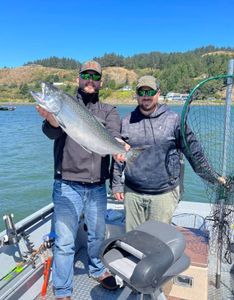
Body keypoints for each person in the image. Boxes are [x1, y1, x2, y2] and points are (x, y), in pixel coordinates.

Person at [36, 60, 121, 300]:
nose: (90, 80)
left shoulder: (109, 111)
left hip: (96, 186)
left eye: (95, 76)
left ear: (100, 81)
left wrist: (121, 148)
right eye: (86, 75)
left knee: (97, 235)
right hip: (66, 184)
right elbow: (51, 132)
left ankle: (97, 268)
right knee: (64, 241)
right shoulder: (64, 105)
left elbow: (115, 136)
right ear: (78, 79)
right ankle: (62, 290)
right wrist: (53, 119)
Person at [112, 75, 226, 232]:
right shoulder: (126, 121)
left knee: (158, 241)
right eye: (141, 92)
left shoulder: (174, 120)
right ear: (136, 95)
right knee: (133, 240)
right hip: (132, 193)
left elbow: (193, 152)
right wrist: (117, 184)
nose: (146, 97)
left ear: (158, 93)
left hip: (164, 194)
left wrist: (212, 176)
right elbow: (118, 156)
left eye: (150, 91)